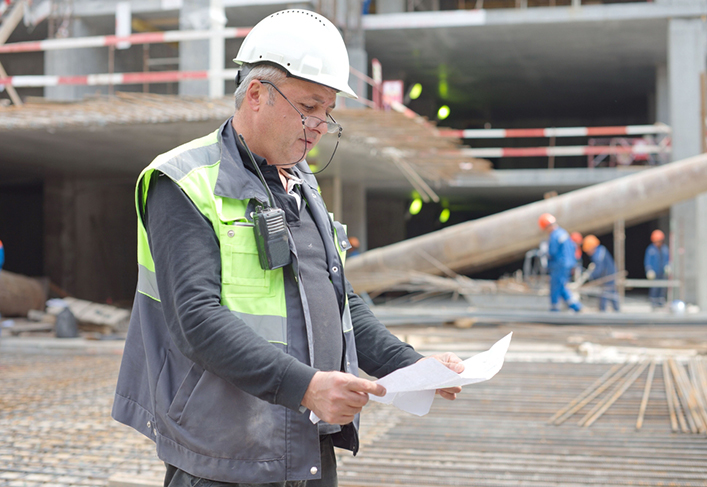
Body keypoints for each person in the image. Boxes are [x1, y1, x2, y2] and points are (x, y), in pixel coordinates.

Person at [111, 9, 464, 487]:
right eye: (310, 106)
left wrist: (411, 365)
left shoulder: (301, 186)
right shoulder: (184, 182)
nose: (321, 124)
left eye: (328, 111)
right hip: (221, 455)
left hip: (304, 444)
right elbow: (195, 318)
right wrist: (307, 387)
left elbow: (341, 304)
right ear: (256, 93)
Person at [538, 213, 582, 312]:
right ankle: (575, 306)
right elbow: (572, 249)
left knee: (555, 286)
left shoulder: (554, 235)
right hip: (567, 264)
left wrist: (544, 251)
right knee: (561, 286)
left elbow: (552, 252)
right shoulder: (563, 232)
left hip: (559, 265)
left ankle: (555, 309)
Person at [582, 235, 620, 312]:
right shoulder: (600, 251)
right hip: (607, 275)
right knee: (609, 293)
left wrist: (590, 276)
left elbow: (599, 268)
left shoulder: (598, 254)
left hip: (609, 276)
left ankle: (605, 311)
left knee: (606, 293)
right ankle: (615, 310)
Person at [645, 229, 670, 309]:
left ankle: (660, 301)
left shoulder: (665, 249)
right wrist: (649, 270)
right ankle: (653, 302)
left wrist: (668, 266)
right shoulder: (651, 250)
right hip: (655, 272)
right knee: (654, 287)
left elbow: (667, 259)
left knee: (662, 287)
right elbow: (648, 261)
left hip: (662, 272)